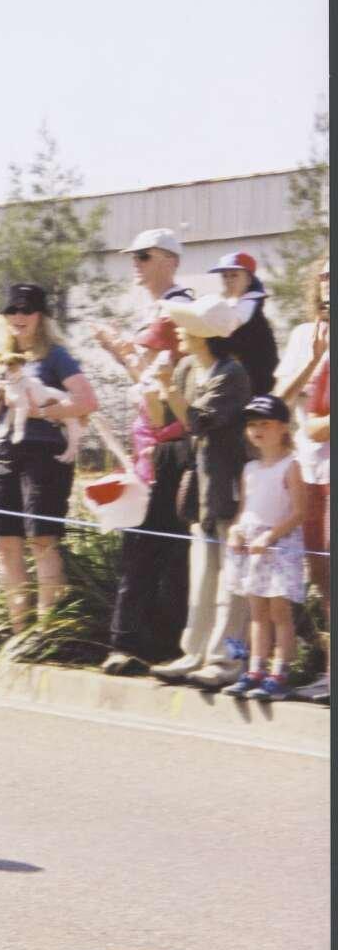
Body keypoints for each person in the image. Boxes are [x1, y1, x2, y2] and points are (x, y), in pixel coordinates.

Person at [93, 228, 195, 676]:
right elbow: (142, 373)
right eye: (133, 255)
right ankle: (135, 642)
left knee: (163, 549)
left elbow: (155, 374)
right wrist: (121, 351)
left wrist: (119, 349)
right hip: (147, 443)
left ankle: (155, 644)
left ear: (169, 259)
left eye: (143, 255)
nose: (135, 262)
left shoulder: (177, 308)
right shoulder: (156, 310)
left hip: (170, 443)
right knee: (140, 545)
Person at [0, 283, 98, 640]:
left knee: (42, 540)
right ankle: (19, 631)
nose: (19, 317)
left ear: (41, 316)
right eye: (12, 311)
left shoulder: (55, 356)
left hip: (45, 454)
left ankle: (47, 633)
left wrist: (42, 411)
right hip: (5, 450)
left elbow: (87, 401)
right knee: (5, 541)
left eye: (26, 310)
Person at [148, 295, 251, 689]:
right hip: (200, 485)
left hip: (227, 484)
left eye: (184, 324)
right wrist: (148, 383)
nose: (177, 330)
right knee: (203, 571)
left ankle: (226, 662)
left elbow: (199, 421)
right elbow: (162, 419)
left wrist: (166, 387)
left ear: (204, 334)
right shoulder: (188, 366)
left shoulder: (231, 374)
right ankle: (193, 652)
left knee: (230, 577)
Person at [222, 395, 307, 701]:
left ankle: (279, 673)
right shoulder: (250, 468)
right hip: (252, 545)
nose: (257, 429)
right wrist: (235, 531)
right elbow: (245, 508)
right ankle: (255, 670)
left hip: (280, 545)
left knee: (279, 611)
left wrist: (270, 537)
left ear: (283, 427)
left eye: (265, 423)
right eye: (252, 424)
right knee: (256, 611)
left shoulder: (291, 465)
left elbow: (299, 512)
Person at [274, 254, 330, 703]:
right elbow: (279, 400)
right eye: (326, 276)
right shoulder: (301, 335)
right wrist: (312, 361)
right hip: (310, 467)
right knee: (320, 573)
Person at [207, 251, 278, 396]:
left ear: (249, 279)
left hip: (257, 388)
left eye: (234, 275)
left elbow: (229, 329)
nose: (228, 280)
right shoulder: (233, 303)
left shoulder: (250, 305)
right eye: (225, 276)